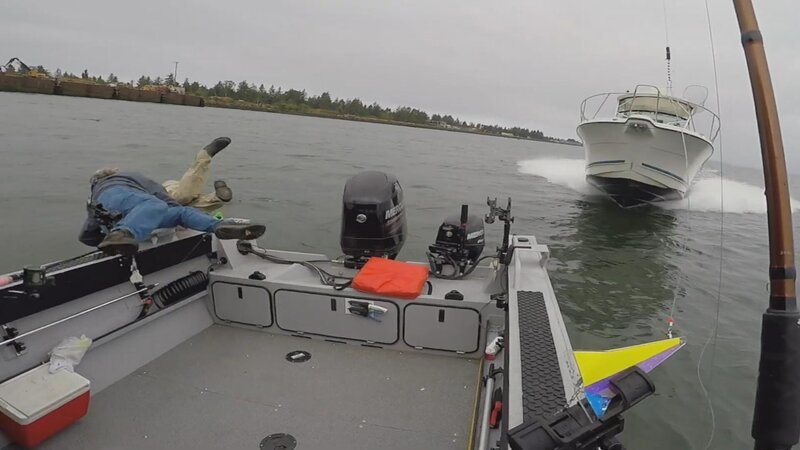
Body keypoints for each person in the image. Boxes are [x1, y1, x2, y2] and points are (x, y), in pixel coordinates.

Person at [79, 169, 265, 255]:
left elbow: (87, 235)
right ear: (110, 174)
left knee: (176, 213)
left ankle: (219, 226)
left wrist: (104, 246)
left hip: (116, 218)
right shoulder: (123, 177)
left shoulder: (92, 199)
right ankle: (122, 234)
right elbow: (158, 193)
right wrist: (173, 210)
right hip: (123, 202)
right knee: (165, 208)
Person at [162, 137, 234, 213]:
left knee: (182, 198)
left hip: (164, 192)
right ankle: (218, 198)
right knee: (192, 207)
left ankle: (203, 158)